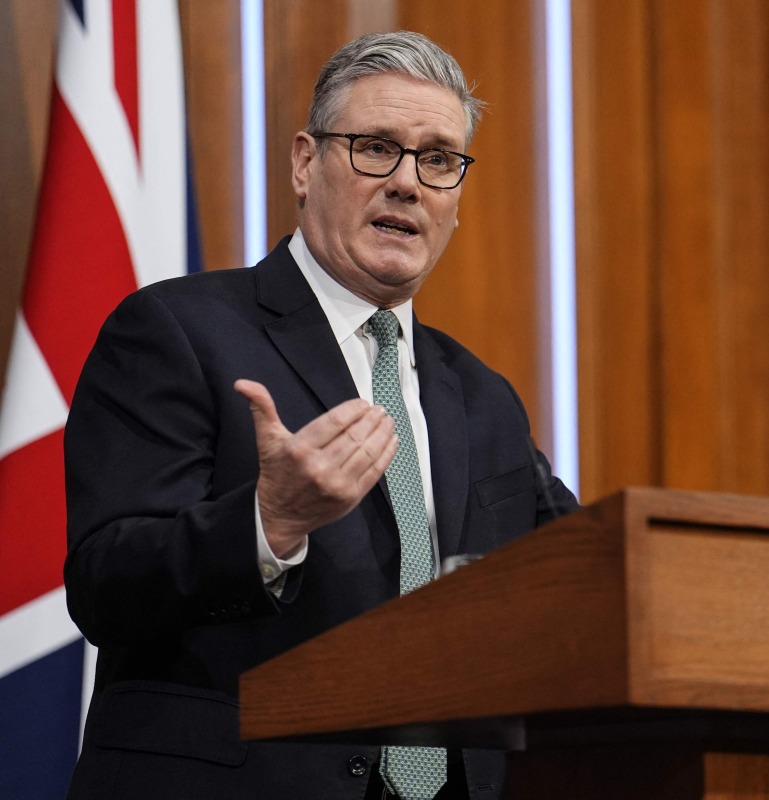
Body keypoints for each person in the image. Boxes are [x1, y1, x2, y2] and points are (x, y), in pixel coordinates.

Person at [62, 30, 576, 800]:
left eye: (438, 159)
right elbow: (104, 583)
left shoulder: (483, 397)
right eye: (375, 147)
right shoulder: (178, 330)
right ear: (305, 164)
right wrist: (268, 523)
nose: (407, 183)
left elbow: (576, 572)